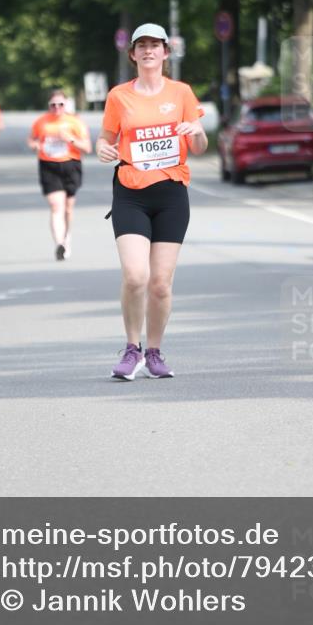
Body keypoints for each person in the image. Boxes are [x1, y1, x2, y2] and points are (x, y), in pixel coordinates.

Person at [96, 23, 207, 380]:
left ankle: (155, 352)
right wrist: (102, 148)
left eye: (154, 45)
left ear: (165, 52)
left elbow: (200, 148)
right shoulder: (119, 96)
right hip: (130, 192)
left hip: (172, 193)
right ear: (132, 54)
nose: (148, 51)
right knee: (135, 275)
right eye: (141, 45)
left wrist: (198, 133)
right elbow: (104, 139)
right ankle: (132, 350)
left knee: (160, 283)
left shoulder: (182, 93)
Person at [28, 89, 92, 260]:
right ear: (49, 106)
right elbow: (32, 139)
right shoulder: (41, 122)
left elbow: (87, 148)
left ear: (66, 105)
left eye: (60, 105)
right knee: (56, 206)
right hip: (48, 166)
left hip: (71, 165)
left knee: (68, 208)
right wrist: (34, 145)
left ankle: (66, 237)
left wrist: (69, 139)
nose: (56, 108)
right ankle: (59, 244)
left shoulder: (75, 122)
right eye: (53, 105)